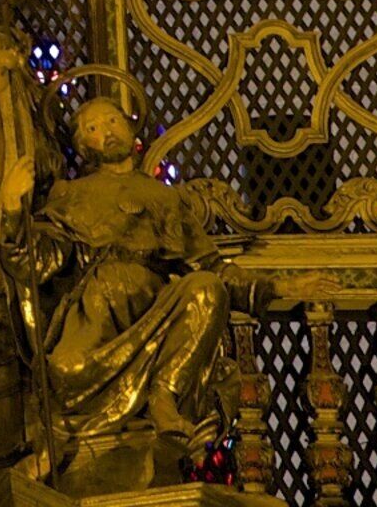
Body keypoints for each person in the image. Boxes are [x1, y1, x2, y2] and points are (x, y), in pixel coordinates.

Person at [29, 96, 232, 491]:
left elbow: (210, 267)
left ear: (130, 126)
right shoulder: (69, 193)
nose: (106, 130)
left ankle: (163, 394)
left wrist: (281, 286)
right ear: (82, 145)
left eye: (112, 120)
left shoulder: (164, 196)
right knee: (66, 367)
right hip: (96, 311)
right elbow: (44, 259)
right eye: (92, 127)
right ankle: (62, 444)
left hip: (152, 310)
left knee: (206, 289)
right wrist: (13, 212)